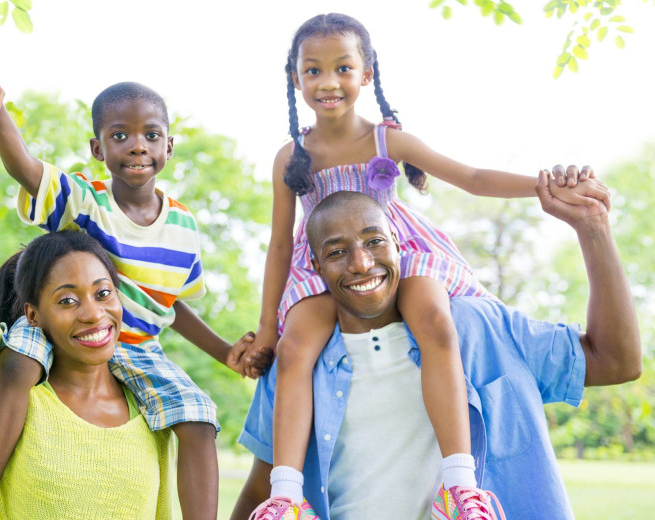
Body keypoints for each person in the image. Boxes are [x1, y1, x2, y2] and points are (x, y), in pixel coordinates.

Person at [240, 12, 612, 519]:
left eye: (343, 68)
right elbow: (281, 245)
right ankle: (285, 497)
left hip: (395, 254)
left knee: (436, 321)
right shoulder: (291, 155)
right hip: (326, 266)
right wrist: (267, 328)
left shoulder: (387, 140)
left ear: (367, 74)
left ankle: (459, 487)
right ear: (295, 77)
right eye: (313, 70)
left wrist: (544, 185)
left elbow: (474, 177)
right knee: (296, 346)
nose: (328, 82)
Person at [0, 71, 267, 520]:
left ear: (169, 146)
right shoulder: (88, 202)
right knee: (17, 364)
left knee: (199, 416)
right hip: (59, 333)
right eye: (120, 135)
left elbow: (169, 302)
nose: (137, 145)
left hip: (141, 347)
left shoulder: (184, 228)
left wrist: (225, 352)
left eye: (151, 135)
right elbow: (24, 167)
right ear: (98, 148)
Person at [233, 186, 641, 520]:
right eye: (337, 252)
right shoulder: (296, 361)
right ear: (316, 266)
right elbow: (261, 485)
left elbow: (616, 360)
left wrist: (593, 228)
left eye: (374, 242)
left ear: (398, 243)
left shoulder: (481, 329)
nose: (360, 264)